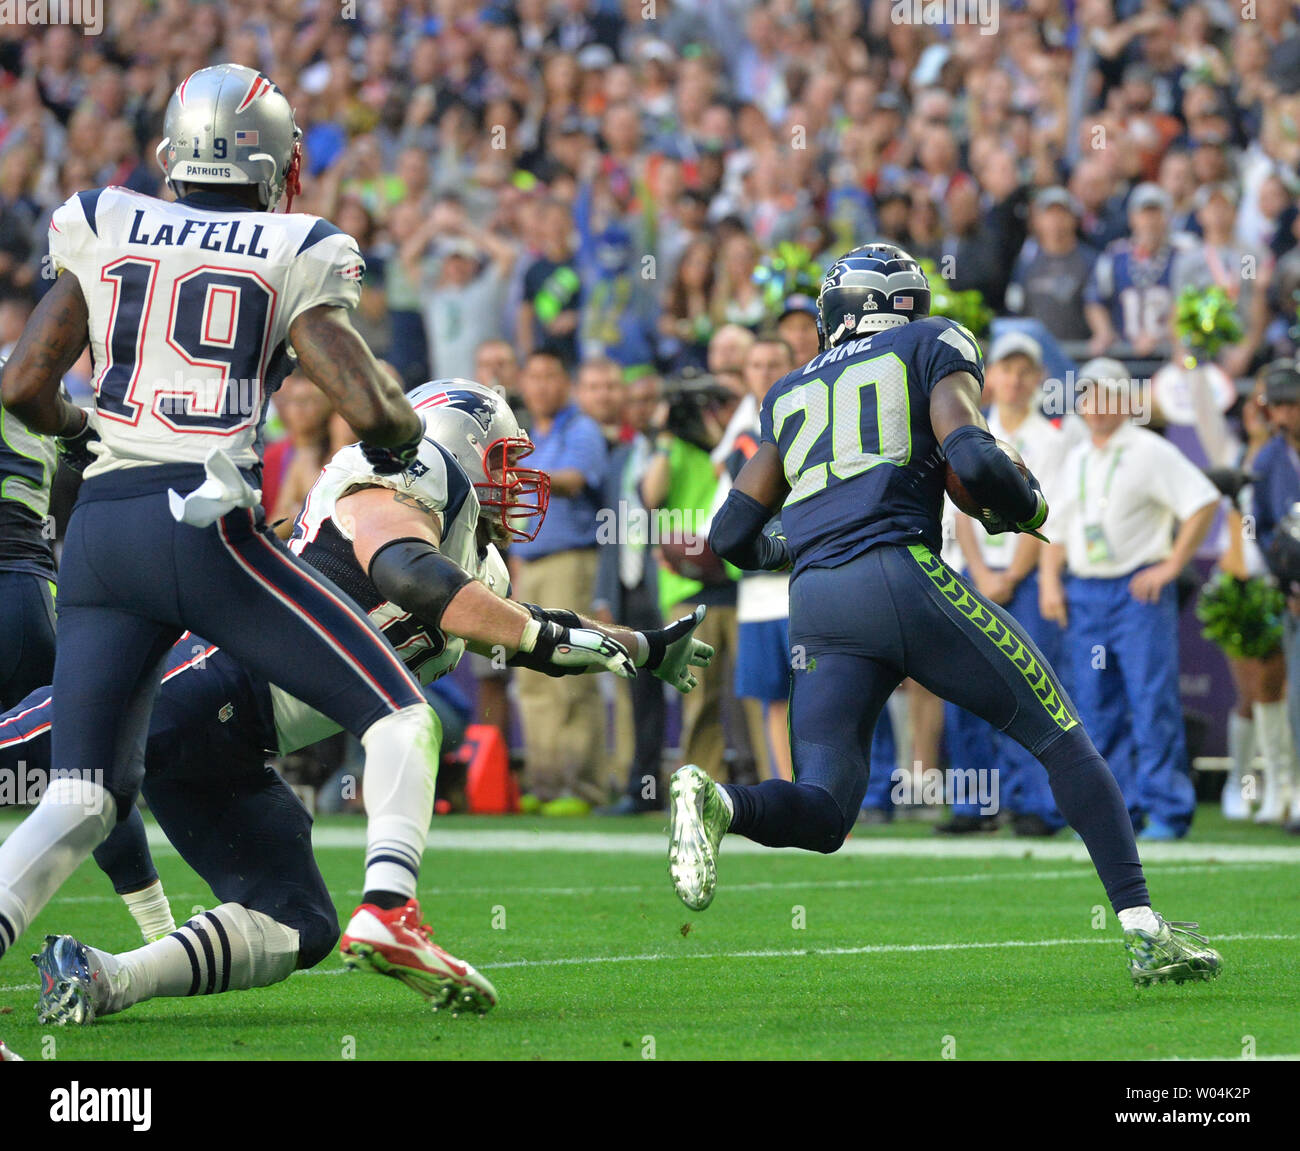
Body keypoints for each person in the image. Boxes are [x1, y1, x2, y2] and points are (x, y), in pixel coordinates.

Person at [0, 66, 525, 1017]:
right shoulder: (296, 244)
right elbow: (370, 408)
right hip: (203, 518)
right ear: (279, 163)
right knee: (401, 718)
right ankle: (392, 906)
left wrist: (85, 434)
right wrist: (405, 443)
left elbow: (25, 384)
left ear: (174, 149)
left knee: (79, 799)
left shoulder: (104, 216)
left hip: (100, 534)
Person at [8, 379, 711, 1024]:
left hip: (240, 746)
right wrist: (544, 632)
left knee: (298, 920)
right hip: (207, 676)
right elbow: (409, 574)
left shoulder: (477, 559)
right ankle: (390, 906)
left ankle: (98, 977)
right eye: (501, 458)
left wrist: (646, 646)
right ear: (455, 443)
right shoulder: (408, 474)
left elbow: (527, 632)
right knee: (20, 753)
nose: (515, 480)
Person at [676, 243, 1221, 987]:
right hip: (899, 575)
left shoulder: (786, 389)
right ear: (903, 304)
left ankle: (722, 800)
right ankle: (1145, 929)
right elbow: (975, 453)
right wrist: (1025, 507)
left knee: (827, 805)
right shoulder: (931, 342)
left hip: (819, 601)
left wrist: (800, 545)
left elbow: (731, 536)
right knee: (1061, 736)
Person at [1039, 358, 1219, 840]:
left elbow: (1203, 500)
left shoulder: (1147, 450)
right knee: (1095, 706)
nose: (1097, 406)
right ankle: (1118, 812)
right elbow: (1055, 530)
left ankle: (1167, 809)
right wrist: (1050, 582)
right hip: (1085, 590)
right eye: (1090, 396)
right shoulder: (1077, 457)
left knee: (1150, 698)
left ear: (1126, 402)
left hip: (1136, 589)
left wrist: (1171, 565)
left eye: (1108, 395)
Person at [941, 332, 1068, 837]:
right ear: (989, 376)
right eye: (1005, 369)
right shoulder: (968, 430)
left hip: (1026, 575)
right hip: (976, 572)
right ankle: (974, 804)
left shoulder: (1054, 440)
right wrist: (982, 571)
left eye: (1024, 371)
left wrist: (1012, 575)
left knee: (1032, 690)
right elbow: (960, 508)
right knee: (966, 688)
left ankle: (1034, 802)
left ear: (1037, 379)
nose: (1014, 380)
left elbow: (1049, 513)